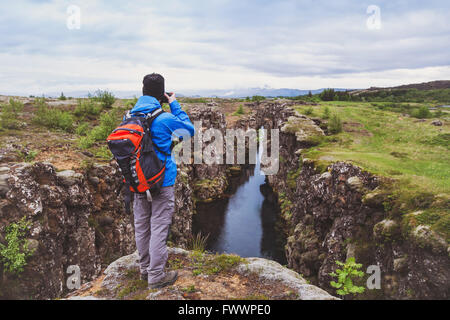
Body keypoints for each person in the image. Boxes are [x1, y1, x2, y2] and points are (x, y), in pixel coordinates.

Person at [129, 73, 195, 289]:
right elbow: (188, 131)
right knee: (158, 226)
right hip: (162, 180)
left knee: (142, 225)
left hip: (138, 180)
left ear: (142, 91)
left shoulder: (129, 116)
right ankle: (156, 276)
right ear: (162, 94)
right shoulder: (164, 118)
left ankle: (145, 269)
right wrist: (174, 103)